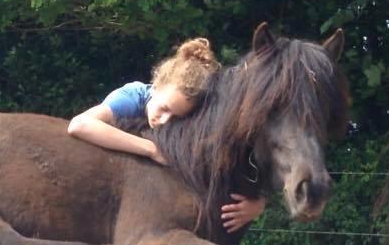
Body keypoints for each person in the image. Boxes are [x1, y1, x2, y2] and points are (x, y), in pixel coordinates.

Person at [67, 38, 266, 233]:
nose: (164, 120)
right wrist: (150, 149)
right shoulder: (131, 97)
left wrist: (259, 204)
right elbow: (79, 125)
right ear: (155, 87)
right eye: (164, 108)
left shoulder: (185, 120)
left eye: (175, 117)